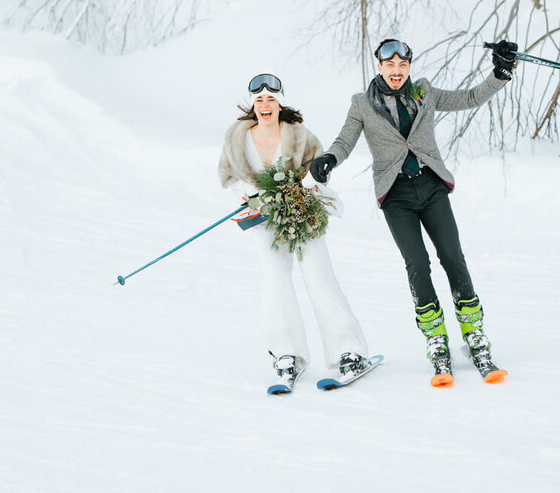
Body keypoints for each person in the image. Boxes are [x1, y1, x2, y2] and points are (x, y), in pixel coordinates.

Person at [309, 38, 518, 384]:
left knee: (452, 256)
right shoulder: (362, 105)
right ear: (379, 66)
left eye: (402, 65)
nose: (396, 71)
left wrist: (500, 73)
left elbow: (469, 98)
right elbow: (345, 141)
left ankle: (474, 334)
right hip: (396, 195)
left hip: (432, 186)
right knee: (417, 264)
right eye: (389, 65)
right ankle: (436, 340)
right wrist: (330, 159)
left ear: (409, 66)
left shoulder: (425, 92)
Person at [218, 73, 374, 394]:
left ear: (280, 103)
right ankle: (286, 355)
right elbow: (228, 177)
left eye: (271, 100)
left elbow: (319, 171)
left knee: (319, 277)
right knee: (275, 281)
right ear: (252, 105)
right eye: (259, 100)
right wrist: (251, 194)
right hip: (263, 221)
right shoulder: (236, 138)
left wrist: (311, 180)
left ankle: (349, 350)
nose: (265, 105)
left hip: (304, 213)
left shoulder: (299, 135)